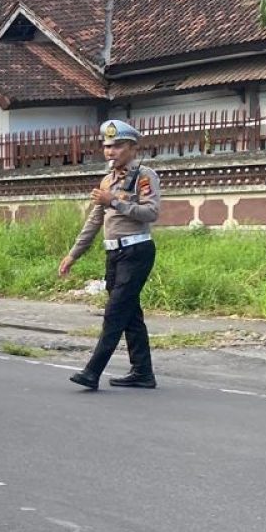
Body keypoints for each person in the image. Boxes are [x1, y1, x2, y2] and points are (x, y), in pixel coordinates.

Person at [59, 120, 160, 390]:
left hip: (136, 251)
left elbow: (151, 212)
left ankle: (92, 372)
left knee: (115, 313)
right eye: (106, 146)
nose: (110, 151)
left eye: (116, 146)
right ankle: (142, 372)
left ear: (131, 148)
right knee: (130, 315)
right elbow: (94, 221)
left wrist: (113, 201)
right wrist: (73, 255)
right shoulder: (107, 180)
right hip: (114, 254)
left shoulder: (144, 176)